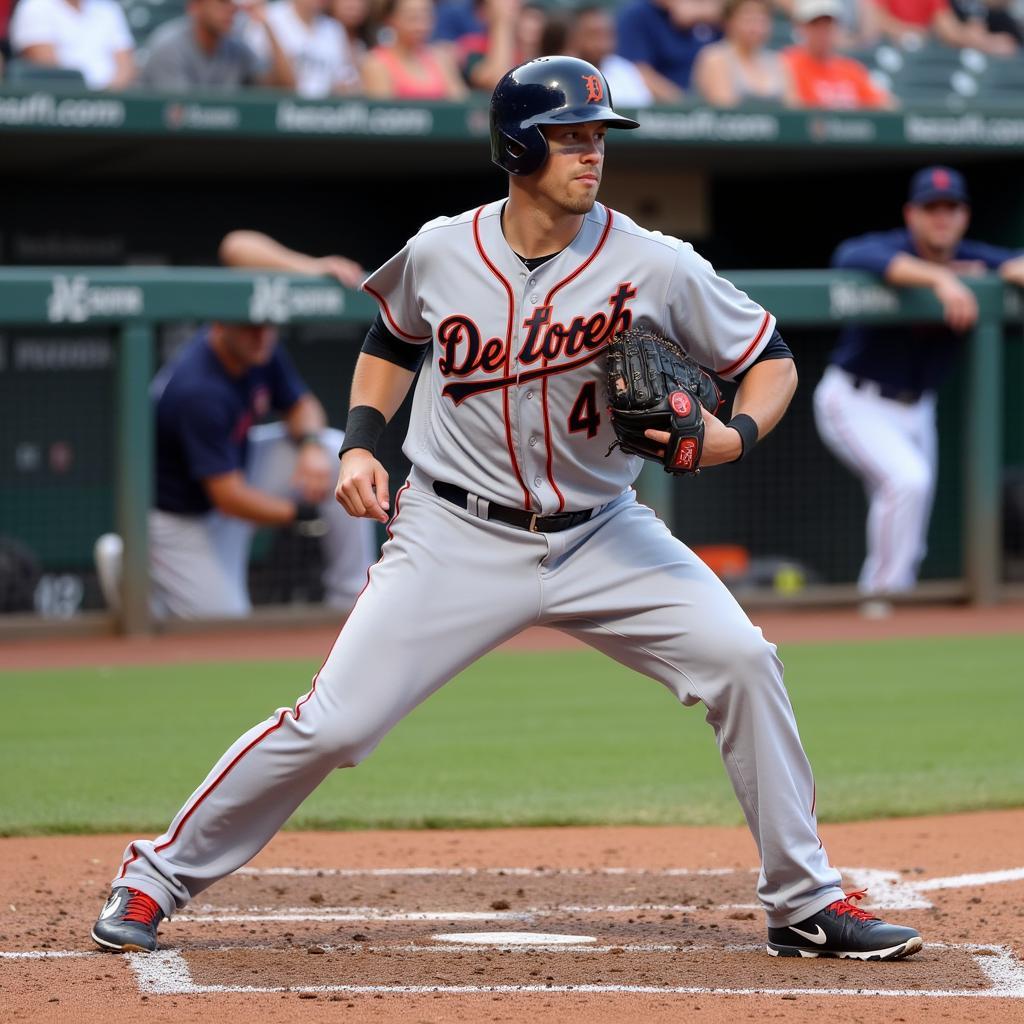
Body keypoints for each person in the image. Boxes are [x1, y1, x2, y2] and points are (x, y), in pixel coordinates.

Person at [91, 55, 923, 964]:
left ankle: (802, 902)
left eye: (599, 137)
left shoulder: (655, 263)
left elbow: (770, 358)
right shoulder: (446, 247)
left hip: (605, 533)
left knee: (743, 661)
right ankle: (155, 878)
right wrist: (361, 441)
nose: (591, 155)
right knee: (336, 723)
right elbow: (392, 335)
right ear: (517, 144)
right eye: (571, 136)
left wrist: (739, 435)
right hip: (452, 533)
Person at [93, 231, 375, 620]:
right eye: (249, 326)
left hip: (235, 472)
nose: (261, 335)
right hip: (181, 519)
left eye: (267, 325)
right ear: (219, 322)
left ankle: (352, 602)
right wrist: (301, 515)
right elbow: (228, 497)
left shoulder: (260, 348)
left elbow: (301, 405)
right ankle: (132, 563)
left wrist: (309, 444)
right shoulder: (198, 389)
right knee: (224, 623)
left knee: (332, 449)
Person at [814, 166, 1024, 607]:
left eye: (951, 208)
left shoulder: (973, 255)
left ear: (964, 215)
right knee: (908, 482)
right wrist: (940, 278)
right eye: (932, 208)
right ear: (913, 214)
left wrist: (1005, 270)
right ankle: (882, 601)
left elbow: (1014, 260)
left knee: (911, 516)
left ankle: (896, 604)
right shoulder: (893, 248)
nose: (941, 218)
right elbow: (851, 254)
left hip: (917, 408)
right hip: (855, 399)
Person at [139, 0, 296, 90]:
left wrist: (267, 24)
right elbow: (179, 115)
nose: (231, 10)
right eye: (222, 2)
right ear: (195, 7)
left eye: (233, 4)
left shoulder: (237, 49)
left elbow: (285, 86)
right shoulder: (168, 45)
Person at [783, 0, 894, 109]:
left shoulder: (850, 69)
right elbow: (793, 109)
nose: (822, 31)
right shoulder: (789, 63)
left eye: (828, 24)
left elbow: (885, 105)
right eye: (815, 24)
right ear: (801, 27)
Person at [243, 0, 361, 96]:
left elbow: (345, 80)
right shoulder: (267, 16)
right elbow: (262, 79)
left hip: (323, 115)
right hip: (278, 111)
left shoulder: (334, 28)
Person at [8, 0, 135, 89]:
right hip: (65, 104)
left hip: (110, 100)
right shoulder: (35, 6)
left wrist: (108, 100)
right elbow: (49, 67)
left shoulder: (109, 8)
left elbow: (126, 65)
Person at [691, 0, 796, 106]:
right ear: (729, 21)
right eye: (748, 19)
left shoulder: (780, 61)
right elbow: (725, 109)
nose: (756, 27)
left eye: (762, 19)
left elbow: (793, 108)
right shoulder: (714, 58)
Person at [616, 0, 723, 101]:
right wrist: (682, 104)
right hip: (660, 109)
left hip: (709, 101)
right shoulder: (636, 15)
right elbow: (638, 72)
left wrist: (705, 13)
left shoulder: (713, 14)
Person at [361, 0, 466, 99]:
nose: (420, 25)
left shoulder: (442, 59)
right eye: (412, 17)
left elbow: (460, 104)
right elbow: (383, 113)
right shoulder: (375, 63)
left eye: (426, 16)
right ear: (390, 19)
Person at [563, 4, 654, 107]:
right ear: (573, 36)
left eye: (607, 35)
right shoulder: (558, 70)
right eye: (593, 35)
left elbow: (642, 111)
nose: (602, 44)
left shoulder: (624, 69)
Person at [870, 0, 1017, 52]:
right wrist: (909, 33)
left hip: (920, 49)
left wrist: (986, 43)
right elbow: (876, 19)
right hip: (885, 46)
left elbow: (948, 30)